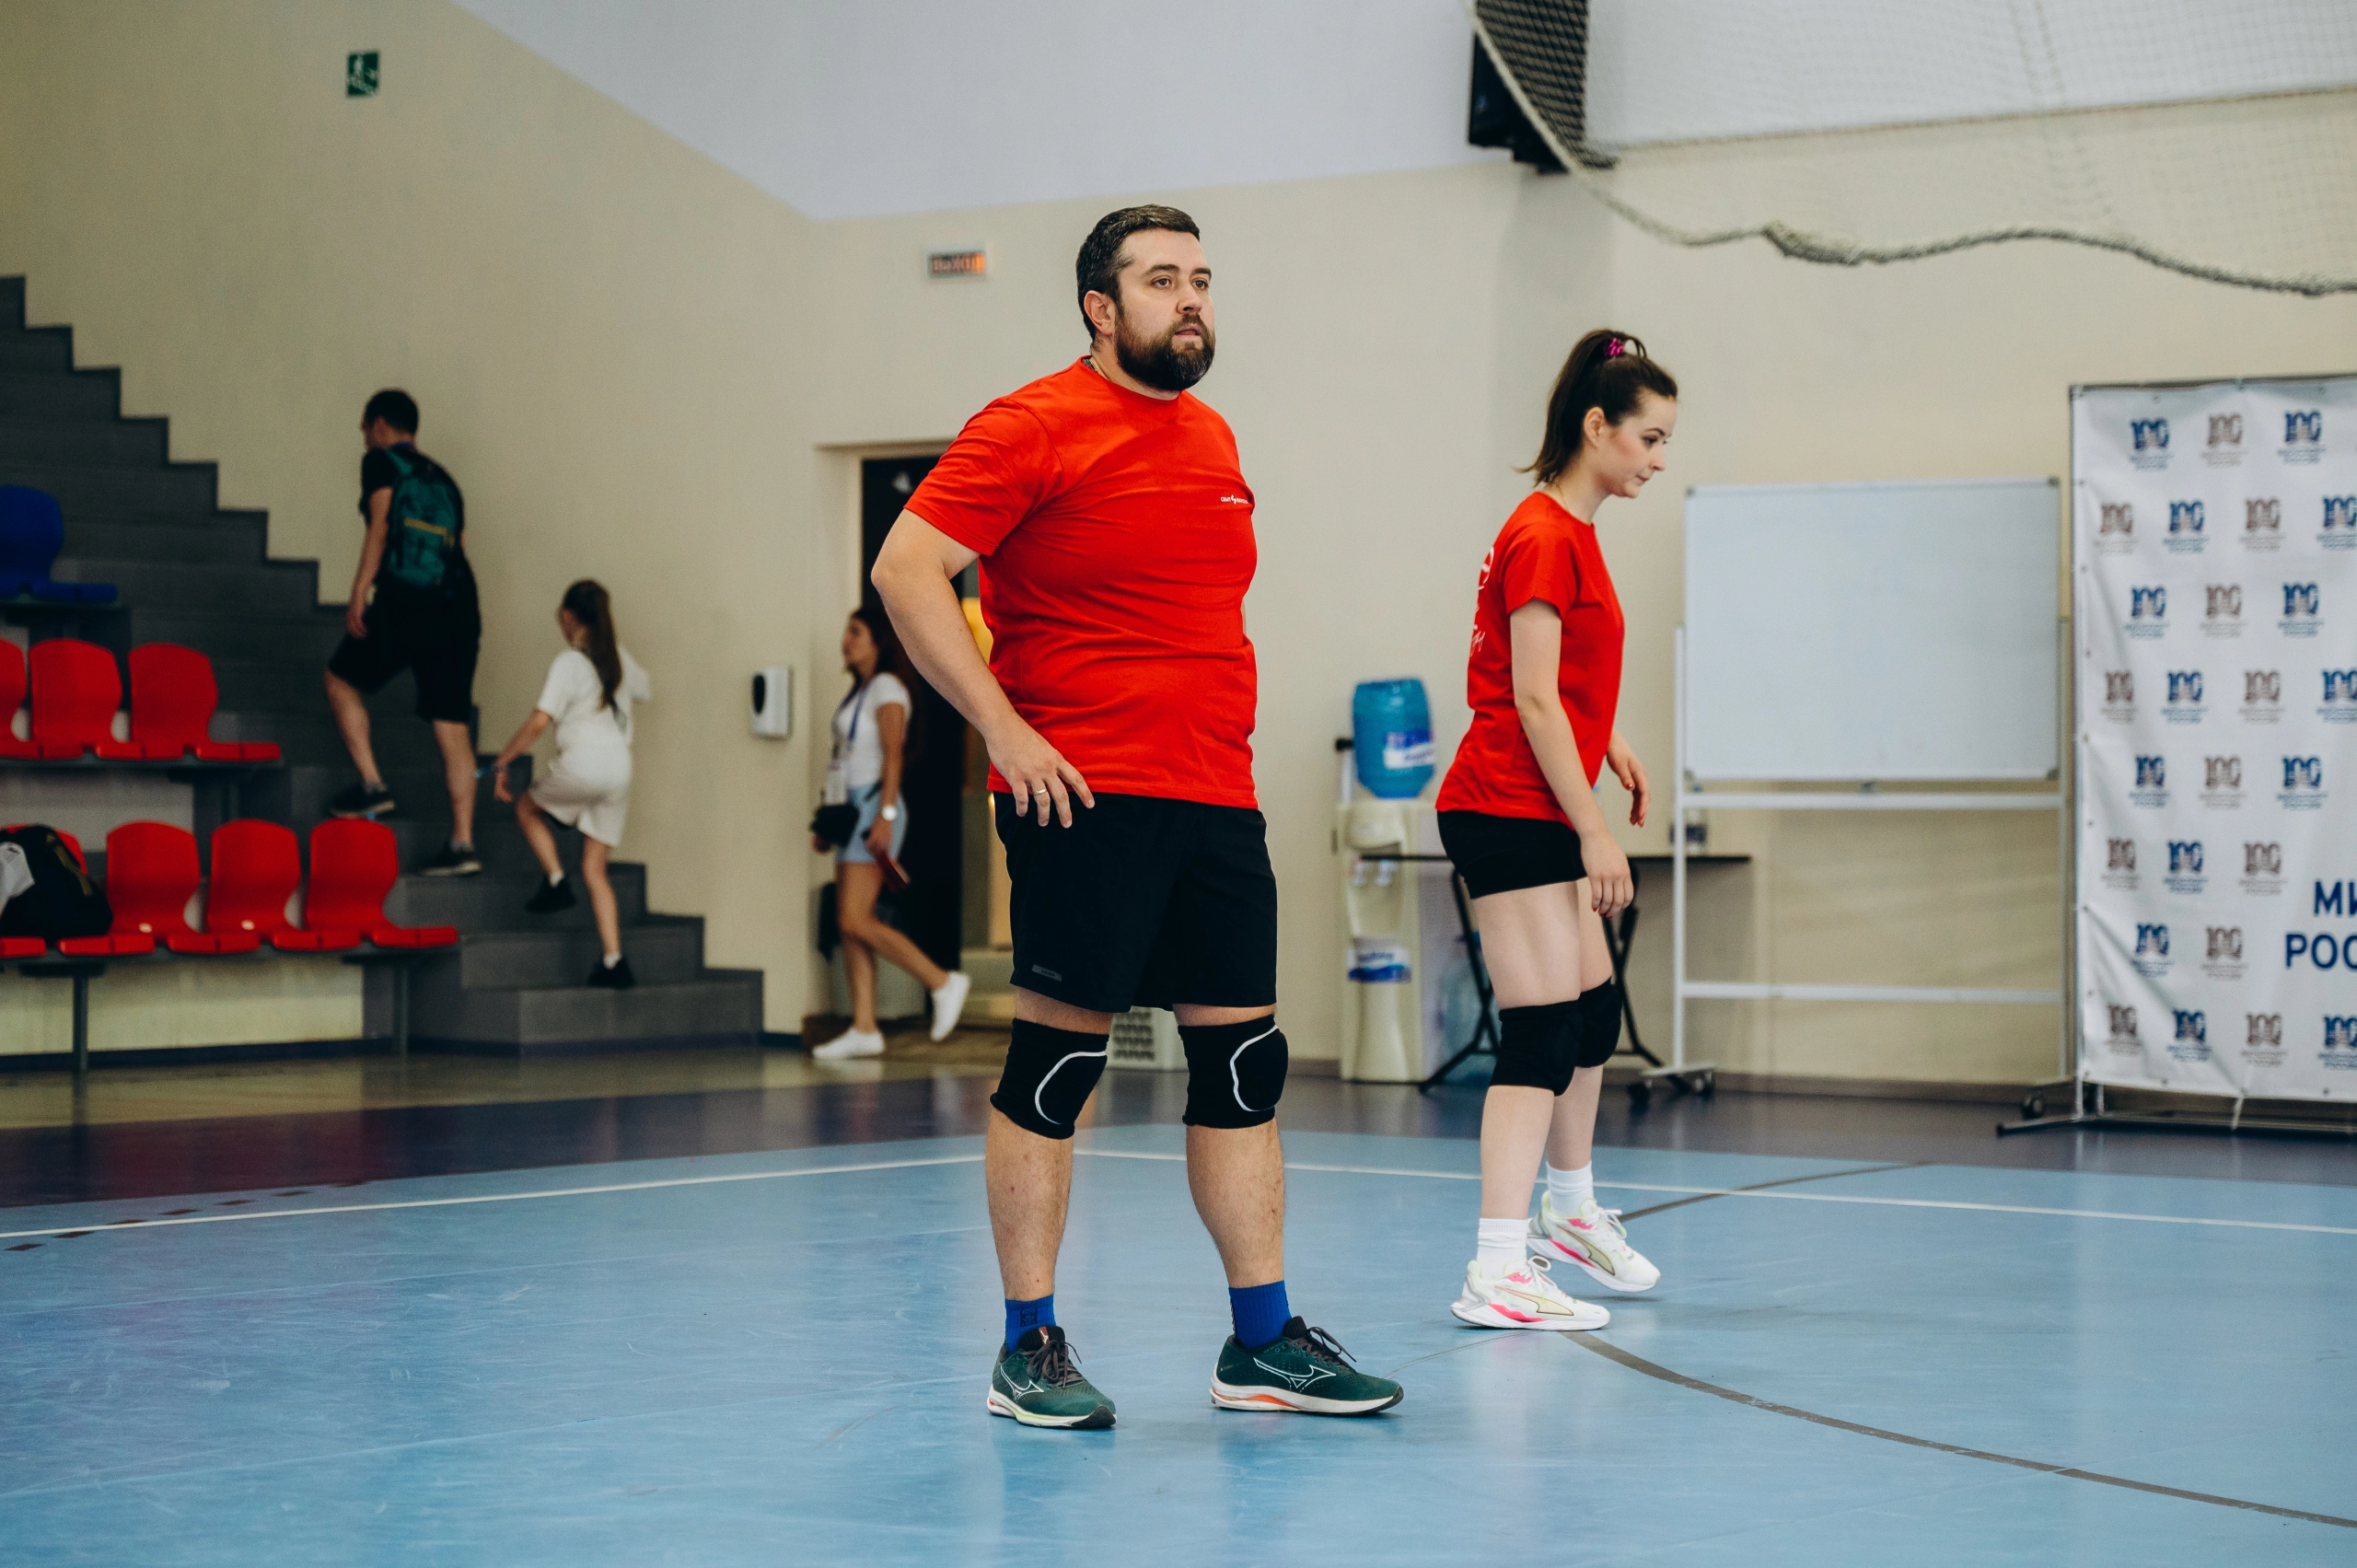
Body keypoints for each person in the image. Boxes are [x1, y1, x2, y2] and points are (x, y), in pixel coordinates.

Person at [872, 204, 1403, 1429]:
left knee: (1245, 1064)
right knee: (1057, 1065)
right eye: (1162, 279)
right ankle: (1028, 1345)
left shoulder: (1212, 434)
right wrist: (1003, 728)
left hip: (1213, 793)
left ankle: (1262, 1340)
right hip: (1083, 793)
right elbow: (906, 570)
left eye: (1202, 278)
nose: (1192, 298)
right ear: (1100, 308)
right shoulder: (1031, 423)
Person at [1436, 329, 1676, 1331]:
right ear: (1596, 426)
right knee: (1539, 1029)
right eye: (1649, 439)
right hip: (1506, 801)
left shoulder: (1572, 531)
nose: (1657, 459)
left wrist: (1606, 734)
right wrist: (1595, 833)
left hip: (1537, 792)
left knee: (1590, 1012)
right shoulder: (1541, 533)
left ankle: (1569, 1209)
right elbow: (1530, 700)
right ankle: (1497, 1265)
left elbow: (1548, 677)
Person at [322, 389, 485, 877]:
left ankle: (373, 786)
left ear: (380, 424)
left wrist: (359, 591)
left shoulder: (380, 462)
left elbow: (380, 525)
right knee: (453, 725)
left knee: (339, 679)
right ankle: (462, 843)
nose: (361, 432)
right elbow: (457, 549)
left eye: (364, 423)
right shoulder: (445, 478)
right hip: (459, 607)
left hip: (406, 603)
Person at [808, 607, 972, 1059]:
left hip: (873, 808)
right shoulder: (858, 691)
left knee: (854, 919)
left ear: (878, 639)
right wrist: (827, 820)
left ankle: (942, 981)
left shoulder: (886, 687)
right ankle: (864, 1026)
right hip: (851, 811)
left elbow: (893, 754)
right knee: (849, 923)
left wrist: (884, 814)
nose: (846, 640)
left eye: (856, 632)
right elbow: (844, 762)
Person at [488, 580, 650, 989]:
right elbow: (645, 688)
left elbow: (539, 721)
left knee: (527, 808)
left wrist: (503, 759)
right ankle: (614, 961)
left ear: (567, 616)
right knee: (595, 869)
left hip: (584, 765)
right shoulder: (619, 657)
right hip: (620, 769)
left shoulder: (569, 662)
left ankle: (556, 881)